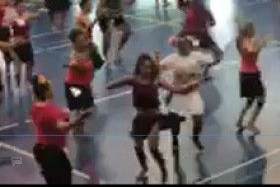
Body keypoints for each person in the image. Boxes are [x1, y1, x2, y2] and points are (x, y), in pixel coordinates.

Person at [107, 53, 194, 182]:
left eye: (149, 67)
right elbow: (115, 83)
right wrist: (110, 85)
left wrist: (186, 88)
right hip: (140, 118)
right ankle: (144, 168)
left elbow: (174, 89)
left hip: (155, 117)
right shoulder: (134, 80)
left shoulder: (156, 81)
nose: (147, 70)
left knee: (153, 147)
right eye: (144, 67)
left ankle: (163, 168)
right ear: (139, 67)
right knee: (138, 146)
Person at [30, 74, 92, 184]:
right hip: (53, 154)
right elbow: (62, 127)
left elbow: (49, 123)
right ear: (47, 90)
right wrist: (78, 120)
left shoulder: (35, 108)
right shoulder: (51, 109)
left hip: (41, 152)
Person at [159, 37, 214, 152]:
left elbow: (211, 59)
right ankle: (174, 139)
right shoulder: (172, 58)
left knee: (198, 118)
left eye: (186, 45)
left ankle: (195, 137)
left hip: (192, 93)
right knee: (175, 120)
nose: (183, 47)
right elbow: (159, 67)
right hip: (178, 92)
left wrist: (201, 72)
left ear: (189, 46)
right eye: (180, 45)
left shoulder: (196, 56)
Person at [235, 22, 268, 134]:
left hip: (243, 74)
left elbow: (249, 51)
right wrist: (262, 43)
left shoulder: (240, 42)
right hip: (252, 74)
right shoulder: (252, 42)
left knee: (250, 99)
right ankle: (251, 123)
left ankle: (240, 120)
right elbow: (253, 51)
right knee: (261, 99)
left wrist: (261, 44)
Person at [96, 0, 135, 65]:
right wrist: (107, 15)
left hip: (116, 15)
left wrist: (126, 3)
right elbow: (101, 6)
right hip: (105, 15)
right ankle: (106, 56)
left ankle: (116, 50)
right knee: (107, 36)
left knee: (127, 31)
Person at [64, 28, 96, 133]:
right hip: (73, 86)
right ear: (74, 44)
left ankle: (77, 124)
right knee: (80, 108)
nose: (84, 42)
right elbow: (82, 71)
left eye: (84, 39)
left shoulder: (89, 49)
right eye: (81, 41)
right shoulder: (74, 56)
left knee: (88, 109)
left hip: (85, 85)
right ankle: (76, 126)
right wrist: (77, 65)